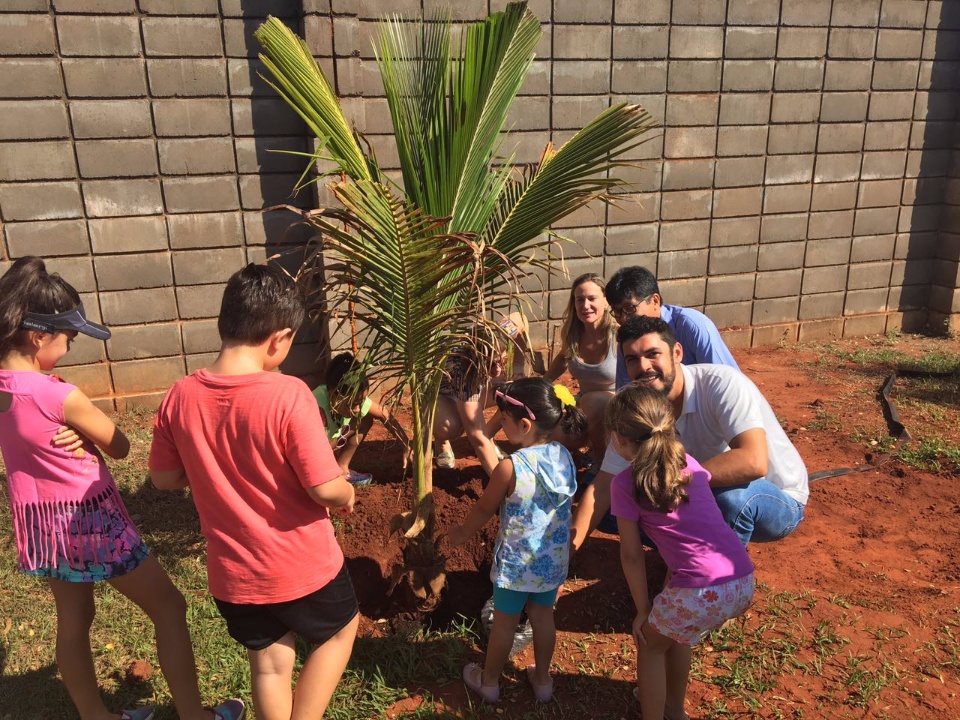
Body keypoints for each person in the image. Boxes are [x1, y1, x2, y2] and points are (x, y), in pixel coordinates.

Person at [0, 257, 243, 720]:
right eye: (67, 339)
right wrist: (88, 432)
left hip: (43, 526)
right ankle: (196, 716)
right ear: (37, 337)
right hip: (89, 520)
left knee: (74, 621)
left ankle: (96, 716)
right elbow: (121, 445)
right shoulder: (57, 395)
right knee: (170, 608)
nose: (69, 349)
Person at [149, 264, 359, 720]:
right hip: (303, 568)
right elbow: (324, 486)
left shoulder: (179, 395)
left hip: (235, 578)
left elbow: (164, 479)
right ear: (279, 339)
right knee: (340, 631)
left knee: (269, 664)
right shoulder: (289, 394)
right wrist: (347, 496)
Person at [573, 316, 808, 550]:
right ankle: (684, 552)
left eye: (653, 354)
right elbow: (603, 486)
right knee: (612, 507)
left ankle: (715, 578)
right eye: (632, 359)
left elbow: (754, 462)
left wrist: (671, 481)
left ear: (677, 353)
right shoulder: (635, 403)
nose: (644, 367)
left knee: (730, 502)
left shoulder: (721, 384)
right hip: (697, 492)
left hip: (773, 497)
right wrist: (566, 557)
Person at [607, 384, 755, 720]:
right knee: (678, 637)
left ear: (617, 438)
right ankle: (674, 709)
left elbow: (631, 556)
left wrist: (643, 610)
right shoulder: (689, 463)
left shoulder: (625, 484)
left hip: (700, 591)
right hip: (741, 579)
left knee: (649, 642)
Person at [447, 378, 586, 703]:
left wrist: (462, 533)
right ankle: (542, 680)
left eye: (504, 420)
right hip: (551, 562)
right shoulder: (564, 457)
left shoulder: (510, 468)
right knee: (543, 618)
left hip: (516, 568)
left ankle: (490, 681)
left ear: (524, 424)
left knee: (505, 624)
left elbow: (484, 508)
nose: (500, 424)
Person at [605, 266, 739, 389]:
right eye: (617, 311)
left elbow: (728, 382)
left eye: (630, 308)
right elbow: (625, 392)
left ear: (655, 301)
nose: (623, 318)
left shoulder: (693, 325)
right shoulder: (627, 339)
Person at [433, 314, 527, 476]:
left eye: (501, 361)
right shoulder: (462, 368)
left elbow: (522, 320)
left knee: (516, 391)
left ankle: (488, 434)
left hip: (473, 384)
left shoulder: (501, 332)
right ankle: (441, 442)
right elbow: (476, 437)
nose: (497, 370)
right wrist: (499, 482)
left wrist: (518, 366)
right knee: (450, 427)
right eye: (490, 364)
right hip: (441, 393)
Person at [543, 273, 617, 469]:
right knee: (554, 440)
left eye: (592, 299)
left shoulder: (618, 335)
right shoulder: (573, 333)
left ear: (606, 301)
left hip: (618, 407)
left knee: (594, 401)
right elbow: (562, 358)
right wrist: (545, 380)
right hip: (584, 404)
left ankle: (602, 463)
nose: (585, 306)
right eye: (579, 300)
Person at [313, 351, 410, 487]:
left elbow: (383, 413)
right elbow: (314, 454)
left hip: (331, 442)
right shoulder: (316, 409)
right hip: (314, 453)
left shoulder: (349, 397)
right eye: (353, 404)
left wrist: (406, 445)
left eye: (361, 402)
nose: (358, 409)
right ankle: (332, 474)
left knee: (365, 419)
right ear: (333, 394)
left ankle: (342, 469)